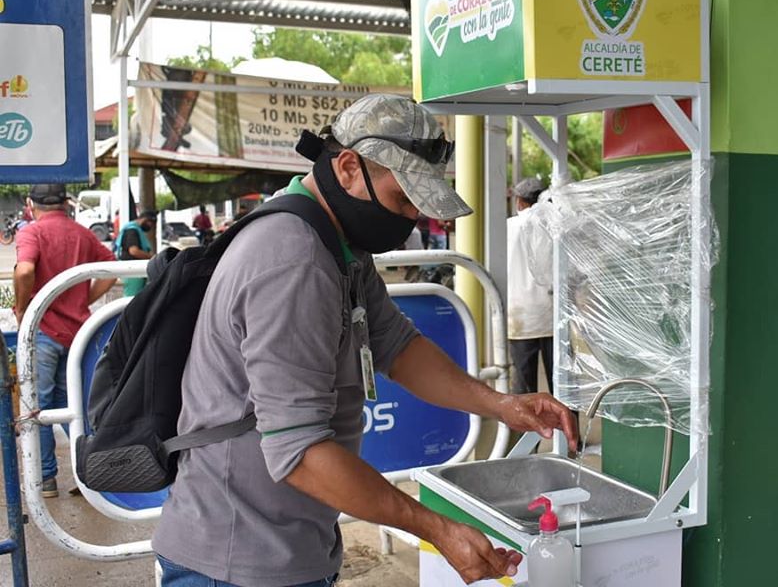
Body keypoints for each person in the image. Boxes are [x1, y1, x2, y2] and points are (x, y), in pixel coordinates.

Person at [152, 94, 578, 587]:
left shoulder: (336, 242)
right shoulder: (294, 261)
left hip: (285, 545)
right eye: (403, 199)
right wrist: (436, 528)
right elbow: (299, 451)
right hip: (235, 559)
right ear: (349, 167)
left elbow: (398, 347)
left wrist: (501, 404)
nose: (411, 219)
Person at [13, 184, 117, 498]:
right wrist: (84, 298)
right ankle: (91, 474)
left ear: (31, 204)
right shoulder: (81, 233)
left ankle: (46, 478)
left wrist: (23, 310)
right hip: (78, 333)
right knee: (72, 404)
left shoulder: (31, 232)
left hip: (44, 332)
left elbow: (25, 270)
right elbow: (111, 267)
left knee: (39, 407)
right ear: (65, 203)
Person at [507, 177, 556, 395]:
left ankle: (525, 428)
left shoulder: (507, 228)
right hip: (553, 316)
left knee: (525, 388)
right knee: (562, 386)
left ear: (519, 202)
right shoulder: (555, 228)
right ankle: (566, 428)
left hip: (519, 317)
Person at [115, 210, 157, 296]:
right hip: (132, 271)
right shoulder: (132, 230)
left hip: (133, 270)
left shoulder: (135, 229)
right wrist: (152, 257)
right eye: (150, 224)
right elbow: (134, 251)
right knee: (132, 298)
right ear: (145, 220)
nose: (151, 227)